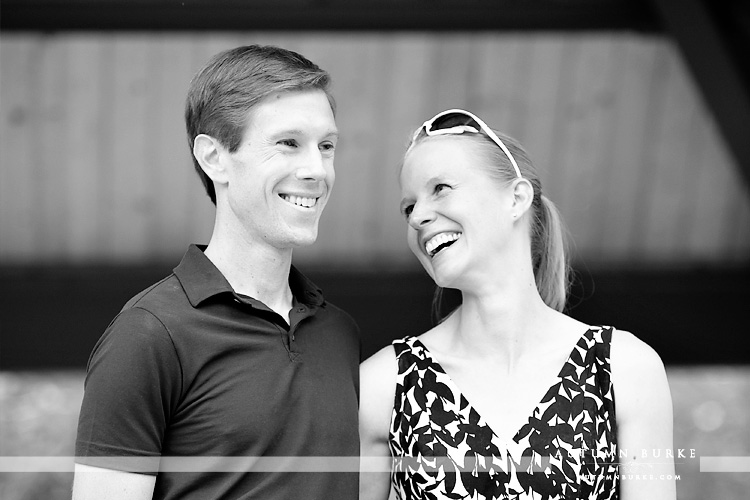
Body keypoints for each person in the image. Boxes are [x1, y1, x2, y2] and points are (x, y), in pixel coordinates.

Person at [73, 45, 360, 500]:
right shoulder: (149, 334)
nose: (316, 169)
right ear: (214, 158)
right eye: (288, 143)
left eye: (326, 146)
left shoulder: (339, 332)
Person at [360, 109, 675, 499]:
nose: (418, 217)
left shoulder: (624, 369)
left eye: (440, 188)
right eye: (409, 207)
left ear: (516, 197)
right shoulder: (383, 383)